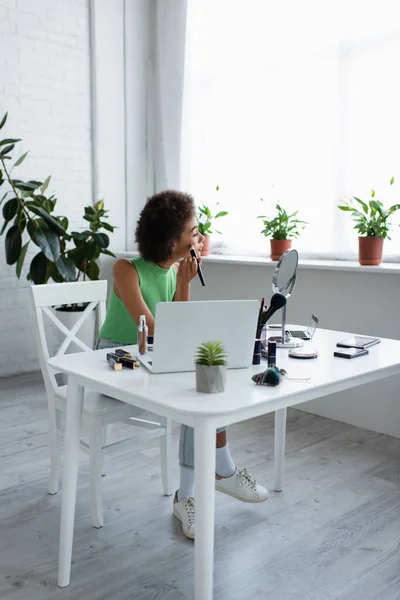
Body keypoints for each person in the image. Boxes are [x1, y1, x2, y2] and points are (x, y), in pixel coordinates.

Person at [97, 190, 269, 540]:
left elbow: (180, 326)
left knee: (203, 386)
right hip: (117, 363)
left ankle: (192, 491)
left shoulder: (176, 271)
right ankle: (217, 475)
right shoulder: (124, 268)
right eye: (194, 231)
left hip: (154, 357)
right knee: (195, 389)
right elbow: (153, 327)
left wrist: (185, 283)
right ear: (173, 241)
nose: (199, 237)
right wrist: (183, 318)